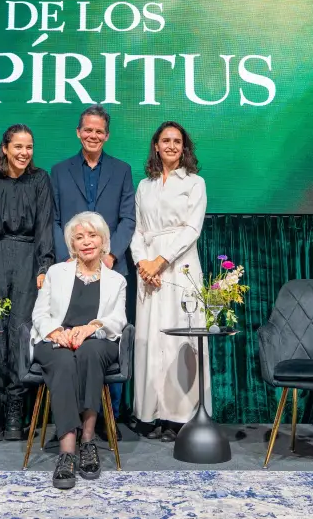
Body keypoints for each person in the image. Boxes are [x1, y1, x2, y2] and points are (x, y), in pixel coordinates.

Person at [50, 105, 135, 437]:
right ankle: (71, 415)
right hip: (71, 271)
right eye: (88, 130)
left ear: (107, 135)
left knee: (105, 338)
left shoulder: (122, 170)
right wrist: (67, 260)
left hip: (111, 268)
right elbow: (55, 221)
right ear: (78, 132)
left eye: (99, 131)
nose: (93, 135)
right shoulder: (59, 171)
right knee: (71, 339)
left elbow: (128, 218)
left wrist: (111, 254)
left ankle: (107, 417)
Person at [0, 123, 54, 442]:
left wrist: (45, 265)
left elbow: (45, 224)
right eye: (18, 146)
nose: (24, 153)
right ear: (5, 148)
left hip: (28, 257)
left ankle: (17, 407)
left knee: (20, 332)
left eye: (29, 147)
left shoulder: (40, 179)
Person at [30, 212, 127, 489]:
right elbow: (40, 313)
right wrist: (56, 333)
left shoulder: (116, 281)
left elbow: (118, 320)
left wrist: (90, 328)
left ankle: (88, 440)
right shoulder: (55, 273)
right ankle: (68, 451)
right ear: (72, 245)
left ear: (103, 241)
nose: (86, 242)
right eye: (79, 237)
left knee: (89, 353)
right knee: (63, 362)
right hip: (55, 340)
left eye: (92, 236)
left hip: (96, 339)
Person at [130, 121, 210, 441]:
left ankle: (179, 416)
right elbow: (136, 231)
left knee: (180, 339)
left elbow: (192, 229)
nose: (172, 146)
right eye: (166, 140)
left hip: (180, 266)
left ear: (184, 147)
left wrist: (161, 262)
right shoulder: (144, 186)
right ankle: (149, 414)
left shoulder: (195, 183)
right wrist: (143, 263)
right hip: (148, 270)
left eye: (178, 141)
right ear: (156, 145)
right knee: (150, 340)